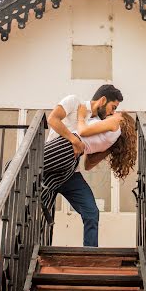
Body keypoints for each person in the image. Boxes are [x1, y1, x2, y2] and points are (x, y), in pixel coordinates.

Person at [42, 85, 136, 246]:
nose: (113, 113)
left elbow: (88, 164)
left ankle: (90, 253)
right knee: (40, 211)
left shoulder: (99, 123)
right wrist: (74, 140)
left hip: (71, 171)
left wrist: (109, 148)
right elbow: (52, 119)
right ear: (103, 100)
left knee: (91, 212)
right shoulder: (74, 102)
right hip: (52, 161)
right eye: (112, 107)